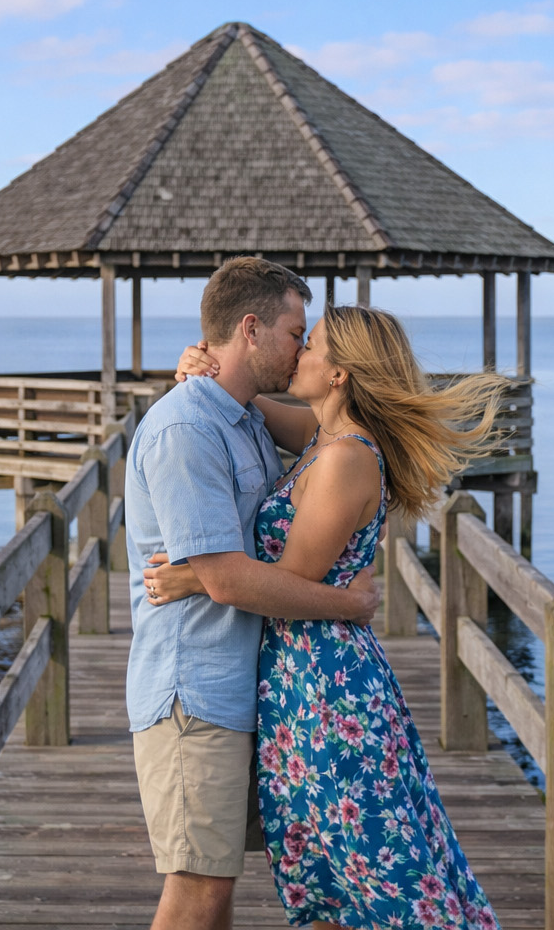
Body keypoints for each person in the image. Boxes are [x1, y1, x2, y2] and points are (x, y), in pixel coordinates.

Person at [144, 304, 505, 930]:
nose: (296, 355)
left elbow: (295, 578)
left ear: (338, 373)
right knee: (327, 879)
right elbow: (245, 401)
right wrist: (200, 371)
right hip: (299, 683)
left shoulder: (345, 458)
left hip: (328, 688)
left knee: (377, 871)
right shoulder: (321, 436)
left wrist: (196, 574)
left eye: (308, 345)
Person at [124, 258, 382, 930]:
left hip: (251, 689)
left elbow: (332, 446)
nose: (302, 345)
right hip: (196, 689)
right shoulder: (188, 430)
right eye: (297, 331)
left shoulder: (245, 419)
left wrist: (205, 370)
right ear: (251, 329)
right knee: (198, 887)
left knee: (218, 884)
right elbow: (225, 577)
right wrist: (350, 605)